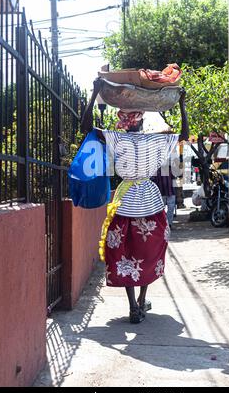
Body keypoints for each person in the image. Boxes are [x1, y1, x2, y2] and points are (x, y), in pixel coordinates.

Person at [81, 78, 189, 324]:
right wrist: (181, 103)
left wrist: (96, 91)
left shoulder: (115, 138)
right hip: (150, 202)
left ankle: (134, 305)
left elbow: (85, 126)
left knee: (124, 252)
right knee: (148, 252)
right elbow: (184, 134)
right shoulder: (156, 139)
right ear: (141, 119)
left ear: (123, 120)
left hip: (126, 200)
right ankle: (140, 301)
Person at [151, 165, 176, 229]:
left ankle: (168, 224)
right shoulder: (156, 169)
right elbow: (152, 180)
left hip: (171, 191)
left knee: (171, 208)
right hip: (161, 192)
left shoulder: (171, 168)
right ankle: (163, 224)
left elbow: (175, 178)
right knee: (161, 209)